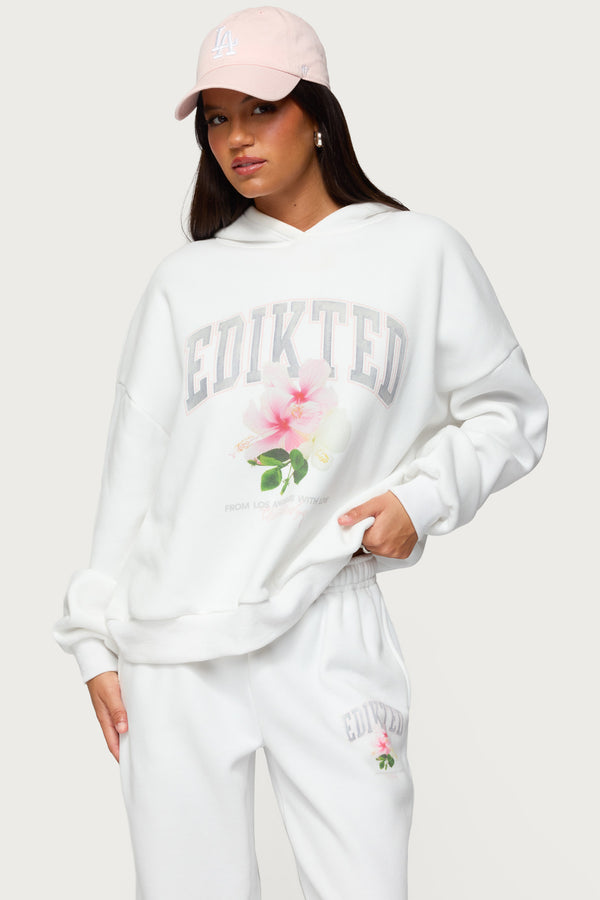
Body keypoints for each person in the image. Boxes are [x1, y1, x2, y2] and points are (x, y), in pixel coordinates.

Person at [53, 6, 549, 899]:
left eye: (261, 109)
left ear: (317, 112)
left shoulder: (418, 252)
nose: (236, 138)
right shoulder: (183, 282)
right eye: (217, 118)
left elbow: (510, 414)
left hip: (327, 619)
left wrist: (423, 500)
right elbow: (134, 475)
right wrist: (95, 642)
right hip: (172, 645)